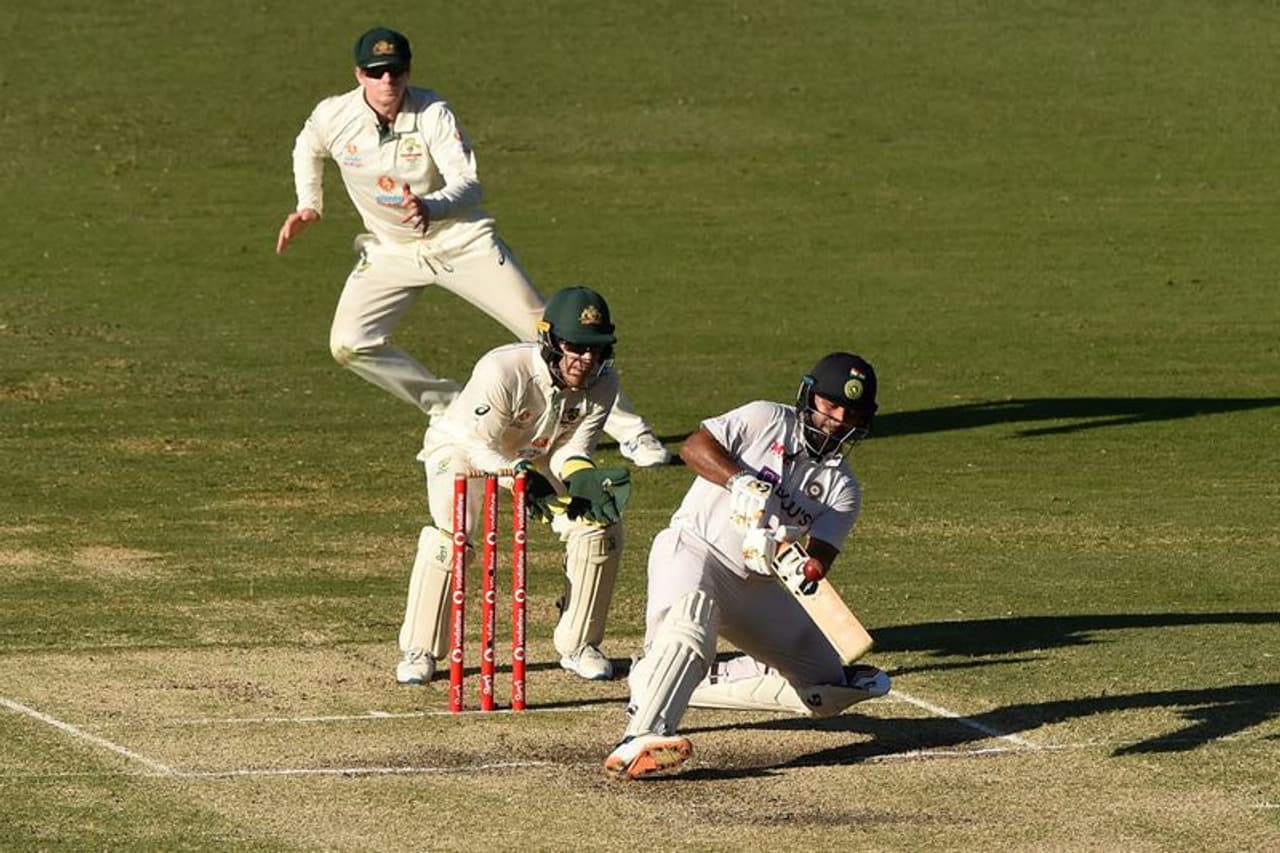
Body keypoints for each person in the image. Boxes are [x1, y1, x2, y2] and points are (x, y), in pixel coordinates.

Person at [275, 26, 670, 467]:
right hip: (392, 250)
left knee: (550, 333)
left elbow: (467, 184)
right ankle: (449, 406)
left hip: (460, 240)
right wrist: (309, 205)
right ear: (359, 74)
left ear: (408, 71)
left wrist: (431, 207)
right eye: (376, 72)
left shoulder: (432, 113)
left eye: (396, 72)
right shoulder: (334, 115)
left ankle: (633, 433)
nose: (387, 82)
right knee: (349, 343)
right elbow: (307, 145)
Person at [604, 352, 892, 779]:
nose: (837, 418)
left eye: (851, 413)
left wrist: (799, 556)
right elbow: (693, 447)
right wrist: (739, 479)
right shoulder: (764, 418)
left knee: (828, 688)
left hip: (758, 583)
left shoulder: (843, 488)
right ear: (809, 397)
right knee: (692, 618)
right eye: (830, 406)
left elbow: (818, 563)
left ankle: (667, 676)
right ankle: (638, 738)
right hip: (695, 549)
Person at [396, 286, 632, 685]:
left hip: (534, 457)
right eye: (575, 347)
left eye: (595, 348)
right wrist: (520, 474)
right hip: (461, 449)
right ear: (551, 341)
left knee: (598, 527)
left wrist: (580, 475)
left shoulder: (604, 384)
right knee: (453, 535)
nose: (586, 359)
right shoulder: (503, 371)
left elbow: (573, 445)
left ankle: (579, 645)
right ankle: (420, 649)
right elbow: (478, 444)